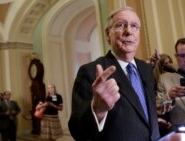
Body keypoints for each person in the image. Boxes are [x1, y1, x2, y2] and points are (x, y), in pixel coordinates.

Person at [68, 6, 160, 141]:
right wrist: (97, 110)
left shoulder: (146, 68)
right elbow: (78, 132)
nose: (129, 31)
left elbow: (141, 111)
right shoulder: (90, 72)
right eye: (121, 25)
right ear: (107, 34)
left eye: (134, 26)